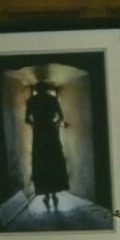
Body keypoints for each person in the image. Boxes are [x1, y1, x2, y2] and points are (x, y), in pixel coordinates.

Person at [25, 79, 69, 209]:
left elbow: (27, 119)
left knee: (41, 162)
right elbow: (60, 117)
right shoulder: (52, 99)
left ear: (37, 90)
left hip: (39, 133)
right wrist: (54, 124)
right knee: (54, 161)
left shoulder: (32, 101)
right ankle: (54, 194)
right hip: (50, 132)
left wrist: (36, 125)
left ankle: (47, 195)